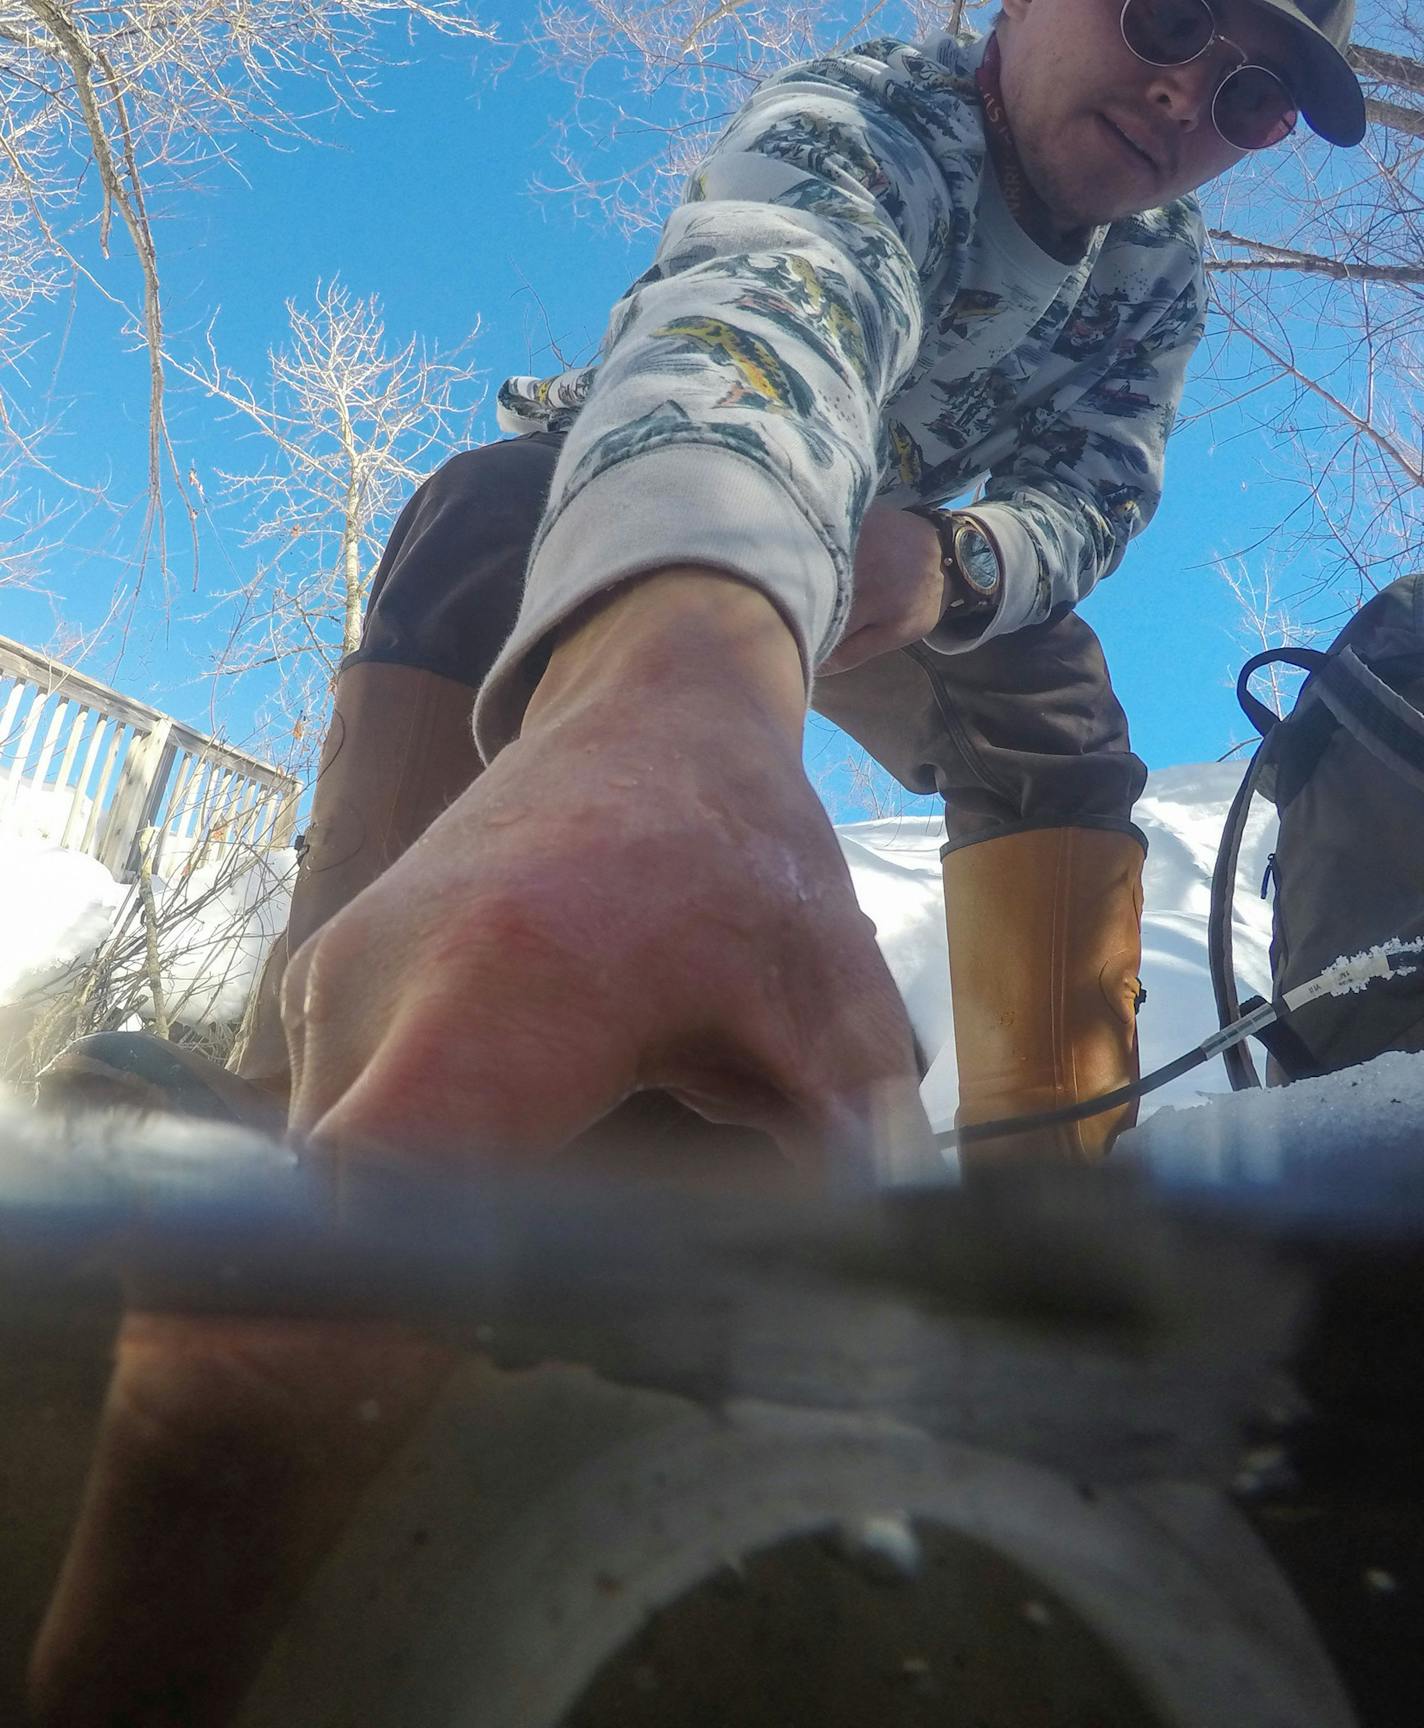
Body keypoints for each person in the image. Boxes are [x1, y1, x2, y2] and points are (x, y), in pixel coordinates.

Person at [29, 0, 1365, 1721]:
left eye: (1258, 95)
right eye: (1169, 16)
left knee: (1063, 713)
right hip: (670, 495)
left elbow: (1102, 490)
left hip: (909, 570)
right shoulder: (867, 113)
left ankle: (1048, 1236)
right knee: (469, 515)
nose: (1196, 89)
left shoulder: (1159, 269)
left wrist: (954, 564)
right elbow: (769, 307)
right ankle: (315, 1102)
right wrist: (685, 670)